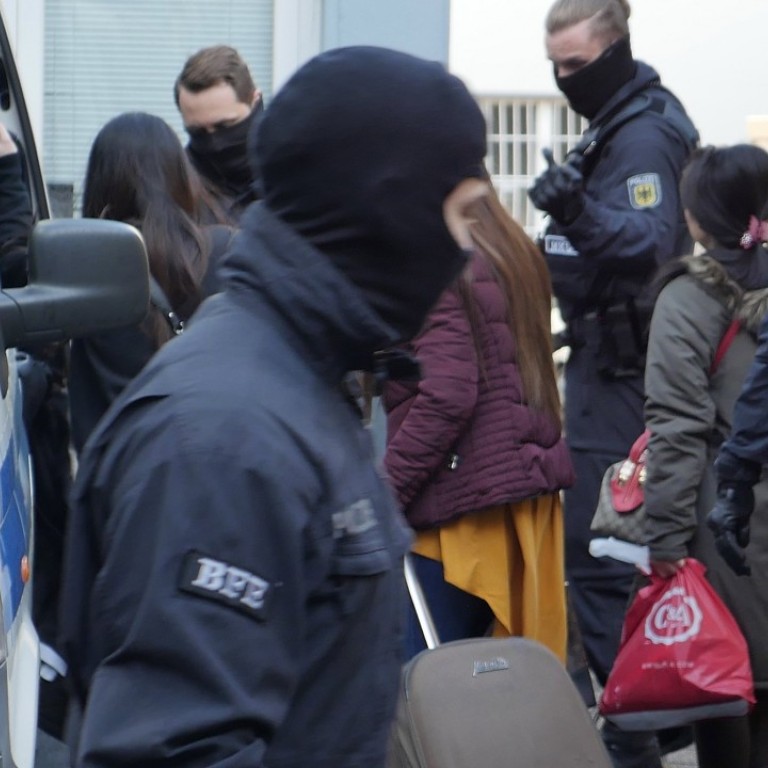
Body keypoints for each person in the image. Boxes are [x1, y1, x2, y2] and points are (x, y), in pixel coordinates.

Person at [58, 46, 488, 767]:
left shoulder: (305, 380)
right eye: (461, 214)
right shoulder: (226, 437)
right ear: (386, 208)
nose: (468, 249)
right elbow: (176, 749)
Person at [527, 2, 698, 760]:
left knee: (603, 561)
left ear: (614, 52)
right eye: (554, 68)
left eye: (575, 67)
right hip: (601, 364)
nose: (565, 82)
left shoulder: (646, 132)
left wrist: (575, 211)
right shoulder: (615, 123)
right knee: (605, 564)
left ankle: (636, 742)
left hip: (625, 378)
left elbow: (648, 239)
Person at [383, 185, 574, 661]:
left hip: (460, 513)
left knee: (429, 691)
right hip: (516, 498)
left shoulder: (439, 262)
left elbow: (448, 394)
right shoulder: (510, 249)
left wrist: (383, 494)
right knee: (500, 684)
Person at [642, 144, 768, 768]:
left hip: (725, 524)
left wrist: (663, 539)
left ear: (695, 219)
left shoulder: (687, 301)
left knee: (727, 691)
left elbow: (677, 428)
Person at [68, 111, 233, 454]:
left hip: (130, 484)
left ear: (101, 180)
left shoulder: (92, 270)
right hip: (222, 468)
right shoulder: (230, 250)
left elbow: (92, 423)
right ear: (180, 174)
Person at [175, 45, 262, 222]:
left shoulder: (294, 171)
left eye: (225, 126)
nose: (215, 142)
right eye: (197, 131)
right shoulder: (178, 186)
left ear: (255, 101)